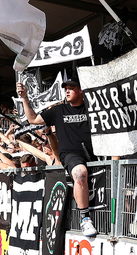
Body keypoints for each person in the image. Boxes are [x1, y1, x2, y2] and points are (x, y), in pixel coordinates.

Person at [18, 77, 98, 237]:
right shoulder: (59, 110)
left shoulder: (93, 107)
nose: (67, 91)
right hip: (71, 154)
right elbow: (33, 119)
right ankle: (85, 219)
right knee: (80, 173)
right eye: (65, 88)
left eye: (71, 88)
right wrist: (25, 98)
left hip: (96, 153)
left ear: (81, 90)